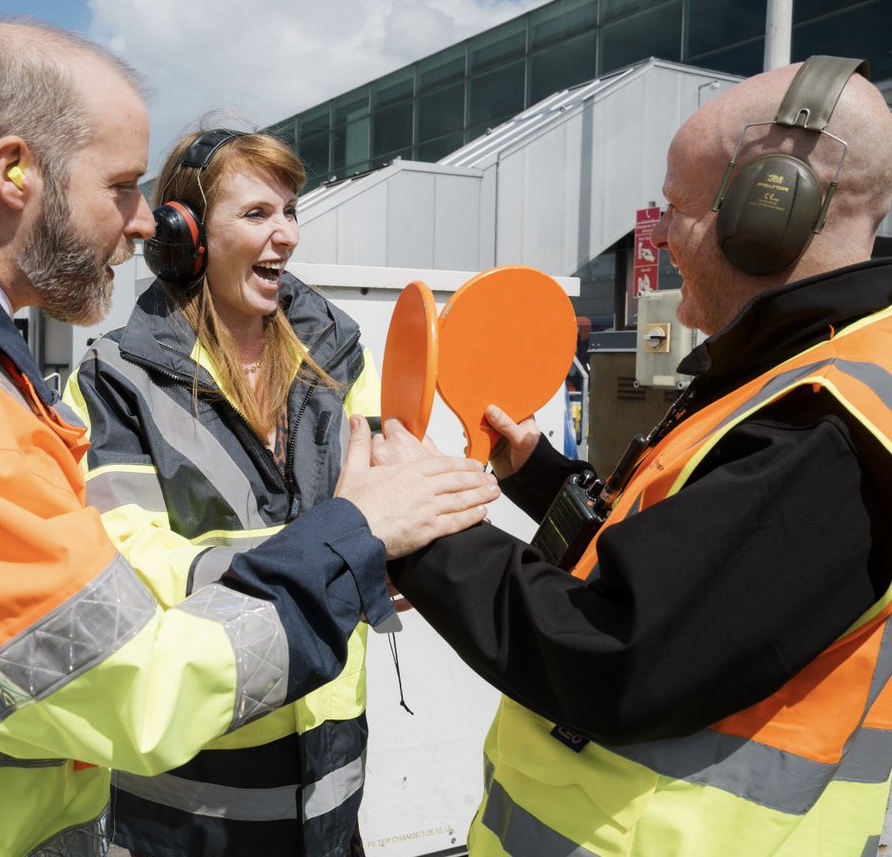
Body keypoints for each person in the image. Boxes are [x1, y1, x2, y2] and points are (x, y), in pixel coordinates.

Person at [0, 21, 497, 856]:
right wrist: (347, 540)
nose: (147, 222)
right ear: (14, 172)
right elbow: (132, 683)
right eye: (121, 186)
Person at [379, 56, 892, 855]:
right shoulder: (794, 369)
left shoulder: (833, 425)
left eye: (676, 207)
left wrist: (421, 535)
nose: (656, 234)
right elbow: (675, 554)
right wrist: (541, 475)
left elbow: (617, 648)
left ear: (770, 211)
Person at [62, 128, 379, 857]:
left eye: (291, 212)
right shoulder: (117, 381)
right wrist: (326, 559)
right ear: (184, 236)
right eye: (259, 214)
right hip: (192, 804)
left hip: (333, 783)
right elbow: (125, 559)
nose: (286, 235)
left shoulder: (336, 352)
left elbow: (376, 494)